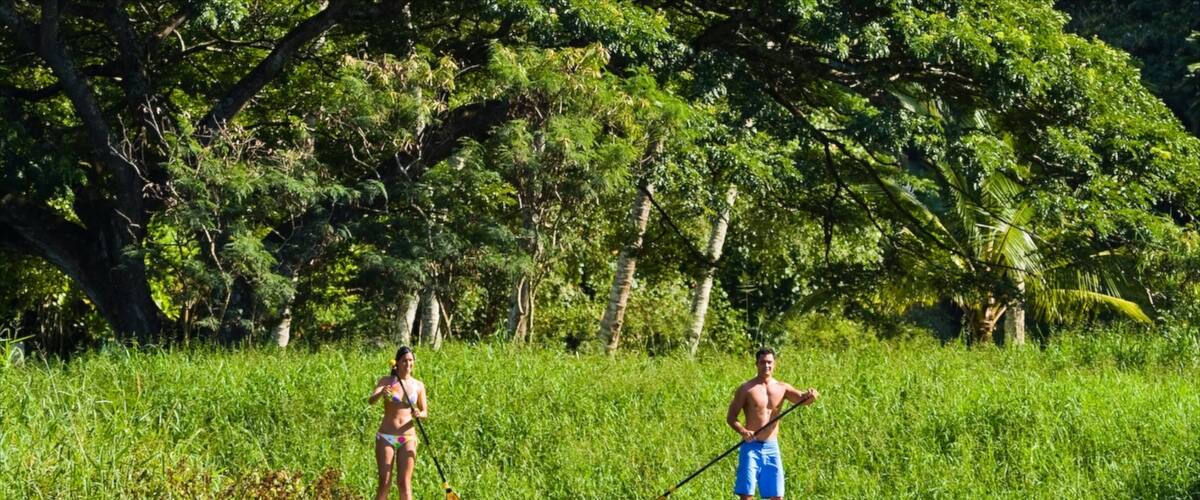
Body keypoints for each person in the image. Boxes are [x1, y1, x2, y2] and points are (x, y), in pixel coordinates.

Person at [726, 347, 818, 500]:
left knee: (776, 496)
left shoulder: (782, 387)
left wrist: (811, 395)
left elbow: (802, 399)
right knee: (747, 495)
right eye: (762, 362)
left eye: (769, 362)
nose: (766, 366)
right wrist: (743, 431)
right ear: (757, 364)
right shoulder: (746, 389)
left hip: (771, 447)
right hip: (751, 446)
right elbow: (731, 417)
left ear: (774, 364)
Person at [368, 346, 428, 500]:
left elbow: (424, 412)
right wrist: (381, 393)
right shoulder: (386, 381)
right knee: (384, 482)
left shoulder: (418, 385)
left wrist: (419, 414)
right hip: (386, 436)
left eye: (411, 360)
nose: (408, 364)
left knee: (404, 483)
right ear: (397, 363)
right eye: (404, 361)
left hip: (408, 437)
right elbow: (371, 400)